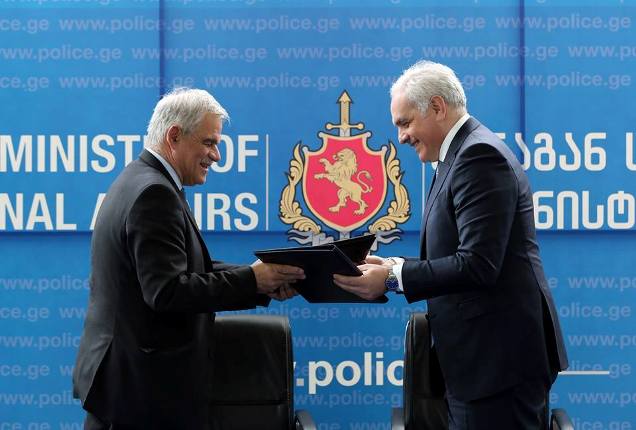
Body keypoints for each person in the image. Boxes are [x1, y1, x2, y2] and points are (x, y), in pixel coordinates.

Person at [334, 61, 568, 429]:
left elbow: (479, 264)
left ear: (438, 107)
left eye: (405, 123)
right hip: (479, 366)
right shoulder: (458, 156)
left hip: (499, 366)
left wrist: (393, 279)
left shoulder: (478, 157)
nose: (401, 137)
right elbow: (456, 255)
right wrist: (393, 265)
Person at [72, 88, 305, 429]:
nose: (217, 156)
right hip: (139, 398)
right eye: (209, 143)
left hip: (130, 390)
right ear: (174, 136)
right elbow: (167, 291)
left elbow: (186, 270)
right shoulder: (154, 193)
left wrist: (261, 280)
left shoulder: (141, 180)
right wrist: (252, 280)